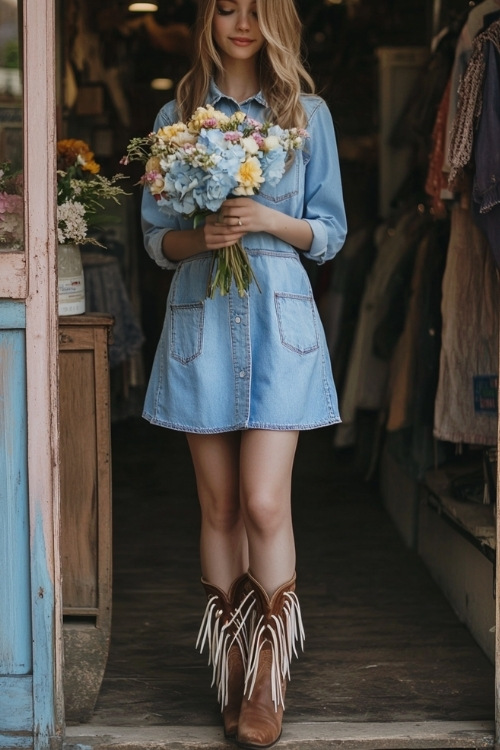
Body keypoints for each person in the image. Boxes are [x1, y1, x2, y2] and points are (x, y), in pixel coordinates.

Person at [140, 0, 347, 747]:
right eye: (228, 7)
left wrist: (264, 221)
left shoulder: (306, 111)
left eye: (257, 10)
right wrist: (206, 235)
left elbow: (329, 232)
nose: (241, 22)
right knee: (221, 506)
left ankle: (269, 671)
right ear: (210, 18)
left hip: (279, 322)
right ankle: (230, 665)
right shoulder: (179, 111)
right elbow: (156, 241)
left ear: (276, 22)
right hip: (203, 318)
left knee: (265, 503)